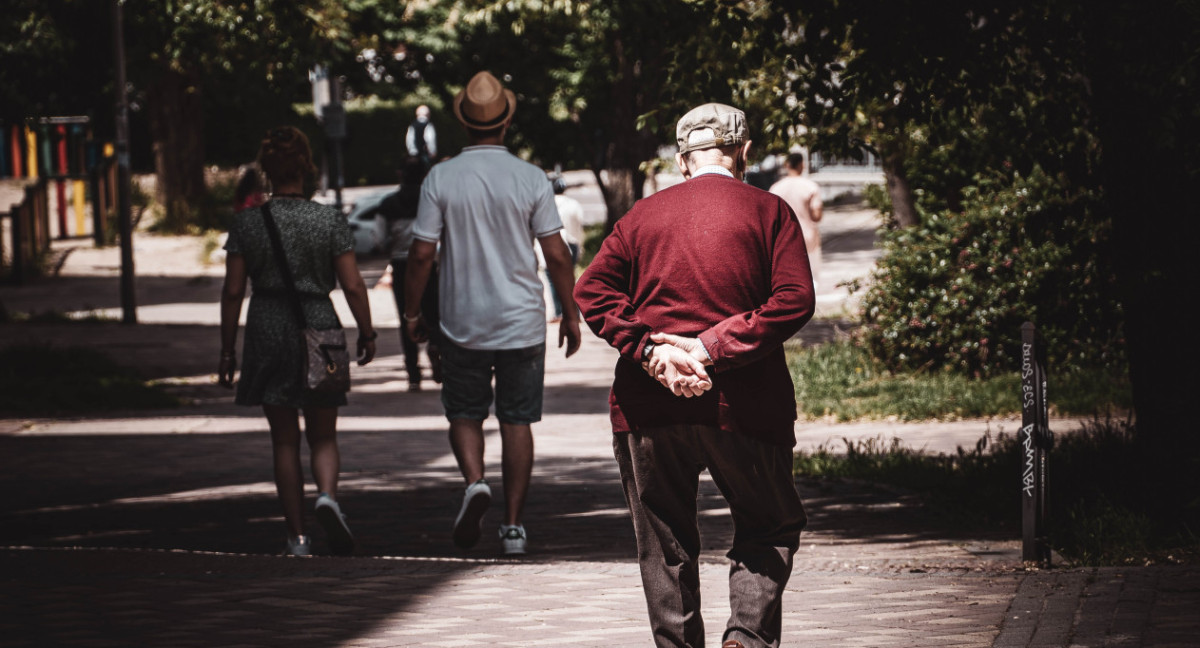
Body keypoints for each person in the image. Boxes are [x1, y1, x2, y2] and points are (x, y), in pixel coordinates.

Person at [574, 103, 815, 648]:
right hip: (747, 404)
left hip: (647, 406)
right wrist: (711, 347)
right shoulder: (769, 211)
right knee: (769, 526)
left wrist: (652, 352)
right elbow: (795, 299)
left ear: (683, 161)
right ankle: (745, 640)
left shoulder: (640, 217)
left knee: (663, 545)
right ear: (745, 152)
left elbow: (591, 291)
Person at [403, 71, 582, 556]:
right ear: (506, 123)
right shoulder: (530, 178)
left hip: (462, 322)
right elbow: (559, 255)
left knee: (464, 412)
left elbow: (421, 255)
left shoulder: (440, 177)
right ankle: (514, 527)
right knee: (517, 421)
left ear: (464, 123)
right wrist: (570, 313)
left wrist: (412, 312)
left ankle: (476, 482)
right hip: (522, 321)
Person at [218, 126, 378, 557]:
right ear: (306, 167)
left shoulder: (247, 222)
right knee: (323, 435)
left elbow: (233, 290)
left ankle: (297, 537)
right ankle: (327, 495)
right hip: (319, 324)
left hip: (268, 325)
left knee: (284, 439)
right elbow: (352, 285)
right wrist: (366, 332)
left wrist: (227, 348)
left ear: (265, 170)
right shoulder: (328, 219)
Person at [376, 159, 442, 392]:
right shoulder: (431, 201)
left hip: (401, 265)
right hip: (430, 264)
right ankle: (436, 347)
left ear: (399, 174)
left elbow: (379, 239)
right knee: (434, 313)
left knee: (407, 316)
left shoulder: (388, 204)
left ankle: (413, 372)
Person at [769, 152, 824, 288]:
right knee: (811, 278)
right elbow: (816, 216)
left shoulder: (776, 188)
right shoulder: (810, 186)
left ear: (787, 165)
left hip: (783, 238)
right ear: (802, 165)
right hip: (807, 236)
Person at [542, 176, 584, 322]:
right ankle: (575, 312)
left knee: (552, 278)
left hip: (553, 243)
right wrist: (580, 246)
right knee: (570, 278)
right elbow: (579, 227)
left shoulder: (546, 204)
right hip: (572, 243)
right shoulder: (574, 204)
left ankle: (560, 312)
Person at [406, 105, 438, 171]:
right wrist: (432, 152)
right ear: (428, 114)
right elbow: (430, 139)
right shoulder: (428, 125)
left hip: (414, 156)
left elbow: (409, 140)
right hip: (425, 154)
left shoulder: (412, 125)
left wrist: (412, 153)